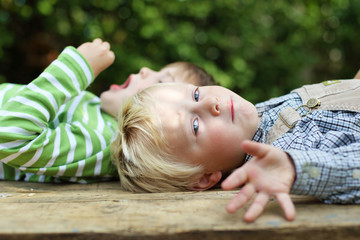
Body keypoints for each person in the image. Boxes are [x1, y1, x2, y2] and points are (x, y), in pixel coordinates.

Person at [113, 70, 360, 222]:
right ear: (204, 178)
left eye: (196, 94)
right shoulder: (286, 152)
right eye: (196, 126)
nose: (212, 103)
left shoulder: (260, 113)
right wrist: (296, 169)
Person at [0, 38, 214, 183]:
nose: (145, 69)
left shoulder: (107, 142)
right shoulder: (98, 115)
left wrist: (77, 68)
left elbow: (12, 136)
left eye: (160, 81)